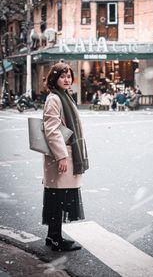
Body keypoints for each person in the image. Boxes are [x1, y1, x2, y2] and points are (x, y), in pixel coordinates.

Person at [42, 62, 89, 252]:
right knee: (57, 197)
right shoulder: (54, 98)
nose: (67, 79)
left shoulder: (65, 96)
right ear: (54, 78)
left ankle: (53, 236)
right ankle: (55, 238)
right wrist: (61, 157)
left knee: (60, 196)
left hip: (66, 153)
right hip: (61, 155)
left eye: (69, 76)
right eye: (62, 76)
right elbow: (52, 130)